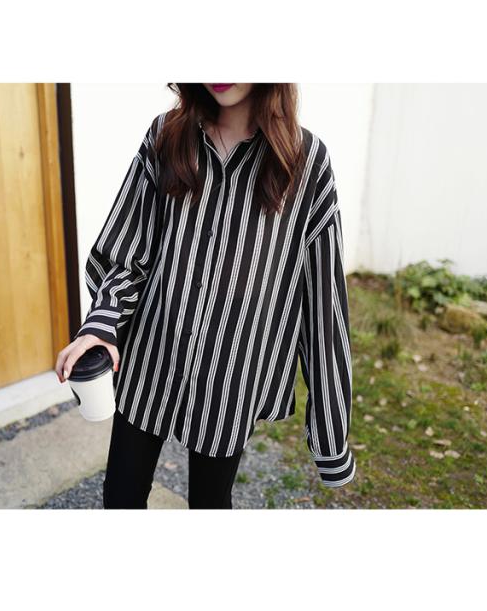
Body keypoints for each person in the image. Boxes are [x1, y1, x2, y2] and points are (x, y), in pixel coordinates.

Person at [55, 83, 355, 509]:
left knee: (210, 503)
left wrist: (330, 436)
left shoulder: (307, 161)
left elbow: (323, 301)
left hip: (232, 374)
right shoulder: (167, 135)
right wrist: (101, 325)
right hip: (150, 357)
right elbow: (128, 251)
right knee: (121, 494)